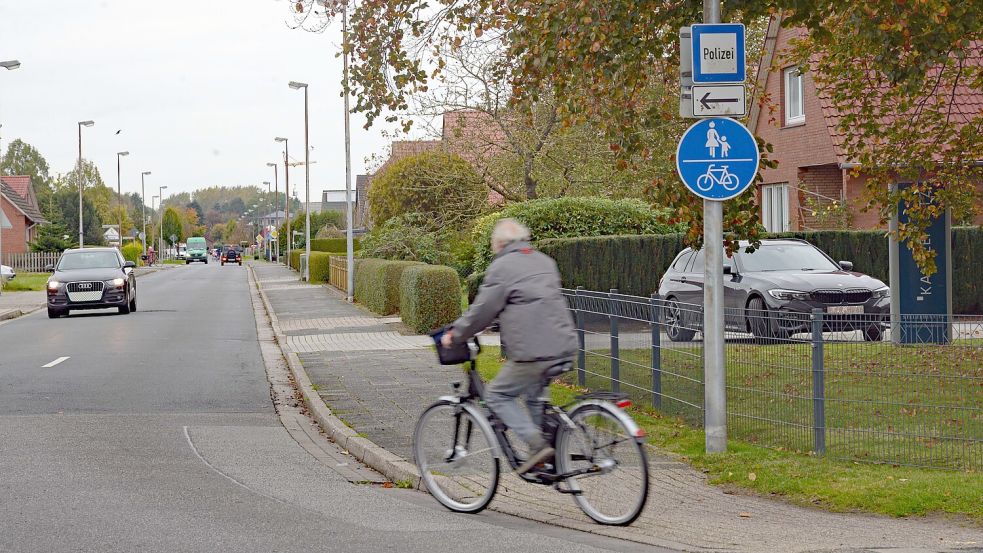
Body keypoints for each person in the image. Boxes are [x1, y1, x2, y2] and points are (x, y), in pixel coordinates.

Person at [441, 218, 578, 473]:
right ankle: (546, 463)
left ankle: (537, 447)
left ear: (500, 244)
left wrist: (455, 334)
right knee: (534, 397)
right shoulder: (544, 261)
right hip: (564, 343)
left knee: (497, 395)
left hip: (534, 351)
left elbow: (482, 310)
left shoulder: (503, 267)